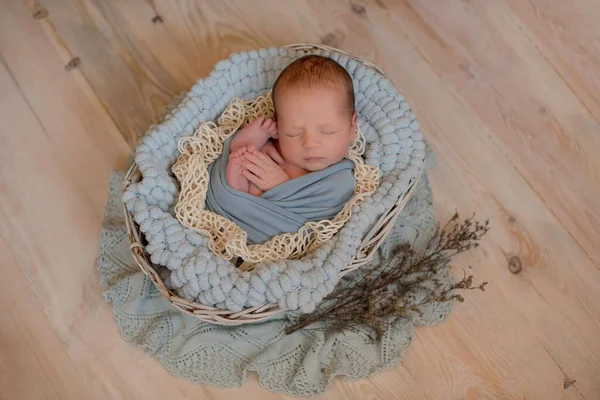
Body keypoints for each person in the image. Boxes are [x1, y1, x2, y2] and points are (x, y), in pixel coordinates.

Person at [225, 55, 358, 196]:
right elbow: (234, 148)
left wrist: (281, 185)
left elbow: (315, 212)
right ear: (278, 127)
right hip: (239, 203)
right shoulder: (275, 149)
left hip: (270, 215)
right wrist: (256, 139)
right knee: (241, 158)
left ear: (352, 127)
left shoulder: (340, 181)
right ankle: (236, 186)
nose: (310, 144)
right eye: (293, 133)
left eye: (327, 131)